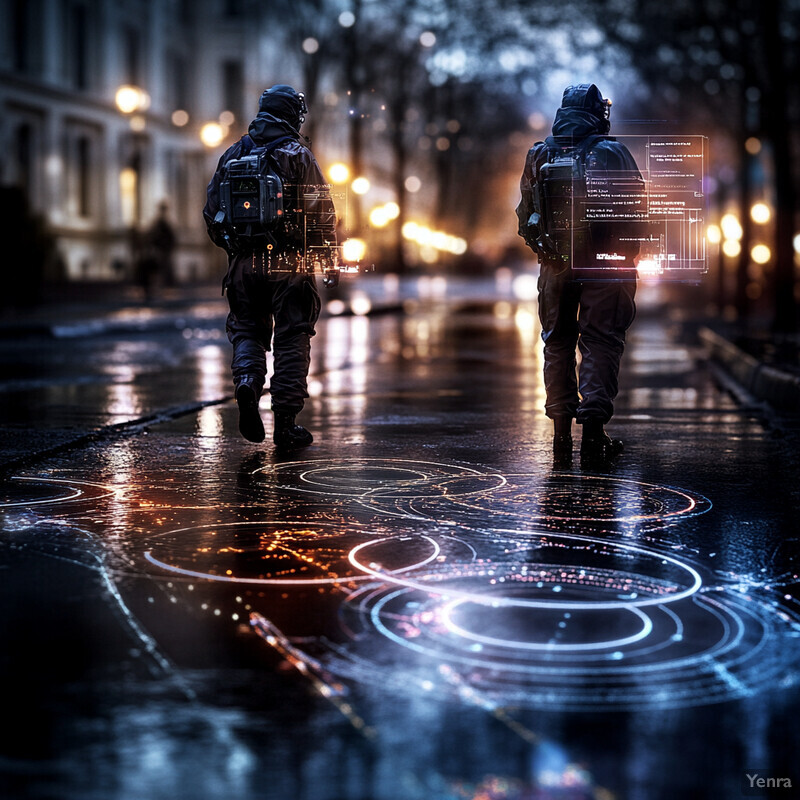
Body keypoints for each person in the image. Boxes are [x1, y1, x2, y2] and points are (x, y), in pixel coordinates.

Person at [204, 84, 337, 451]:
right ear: (292, 115)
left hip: (244, 266)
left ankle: (247, 381)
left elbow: (211, 214)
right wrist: (327, 256)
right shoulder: (298, 154)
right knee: (292, 336)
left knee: (247, 329)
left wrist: (236, 250)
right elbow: (321, 210)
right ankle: (286, 423)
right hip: (289, 262)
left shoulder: (233, 153)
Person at [516, 83, 643, 466]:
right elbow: (636, 211)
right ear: (598, 114)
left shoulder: (539, 153)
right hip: (606, 265)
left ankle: (559, 434)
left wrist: (547, 253)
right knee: (600, 342)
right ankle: (593, 433)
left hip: (555, 266)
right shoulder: (614, 152)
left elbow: (524, 216)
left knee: (556, 343)